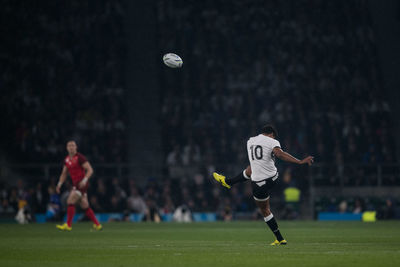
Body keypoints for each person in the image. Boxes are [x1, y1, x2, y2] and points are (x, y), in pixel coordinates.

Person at [213, 125, 314, 246]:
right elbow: (280, 154)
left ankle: (228, 182)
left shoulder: (250, 141)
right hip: (272, 179)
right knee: (253, 170)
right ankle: (280, 239)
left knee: (265, 210)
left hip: (257, 185)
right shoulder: (273, 141)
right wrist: (300, 161)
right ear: (271, 134)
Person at [56, 140, 102, 231]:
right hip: (76, 184)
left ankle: (68, 225)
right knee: (84, 205)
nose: (71, 147)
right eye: (69, 146)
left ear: (76, 147)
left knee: (70, 201)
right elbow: (64, 174)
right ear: (67, 148)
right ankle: (97, 225)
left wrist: (85, 180)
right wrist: (59, 184)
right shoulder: (67, 159)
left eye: (73, 145)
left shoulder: (80, 157)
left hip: (81, 184)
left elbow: (90, 170)